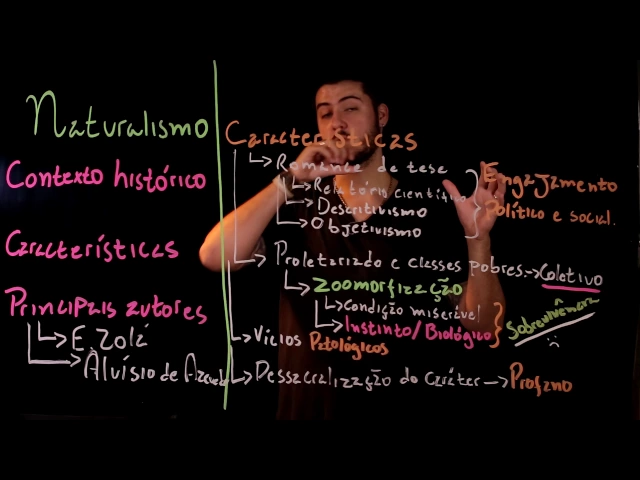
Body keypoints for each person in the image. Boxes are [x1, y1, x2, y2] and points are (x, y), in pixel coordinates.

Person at [200, 69, 507, 419]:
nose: (337, 123)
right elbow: (214, 255)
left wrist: (478, 239)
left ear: (381, 116)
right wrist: (287, 182)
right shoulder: (293, 205)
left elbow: (485, 325)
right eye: (325, 113)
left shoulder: (430, 210)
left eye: (350, 108)